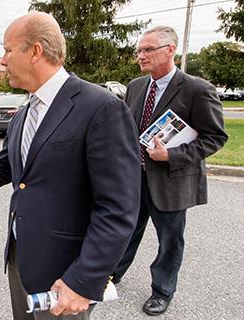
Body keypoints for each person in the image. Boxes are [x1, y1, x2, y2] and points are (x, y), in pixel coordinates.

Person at [0, 12, 141, 320]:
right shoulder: (25, 112)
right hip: (21, 257)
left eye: (8, 50)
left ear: (35, 51)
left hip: (66, 273)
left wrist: (84, 280)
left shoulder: (101, 107)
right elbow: (4, 167)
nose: (2, 61)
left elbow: (119, 208)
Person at [111, 26, 228, 316]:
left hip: (171, 181)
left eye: (148, 49)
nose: (141, 55)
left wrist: (172, 154)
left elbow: (215, 138)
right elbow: (130, 129)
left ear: (169, 50)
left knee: (170, 241)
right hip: (134, 178)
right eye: (139, 50)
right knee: (125, 231)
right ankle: (112, 274)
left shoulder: (197, 89)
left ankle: (162, 291)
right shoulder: (137, 86)